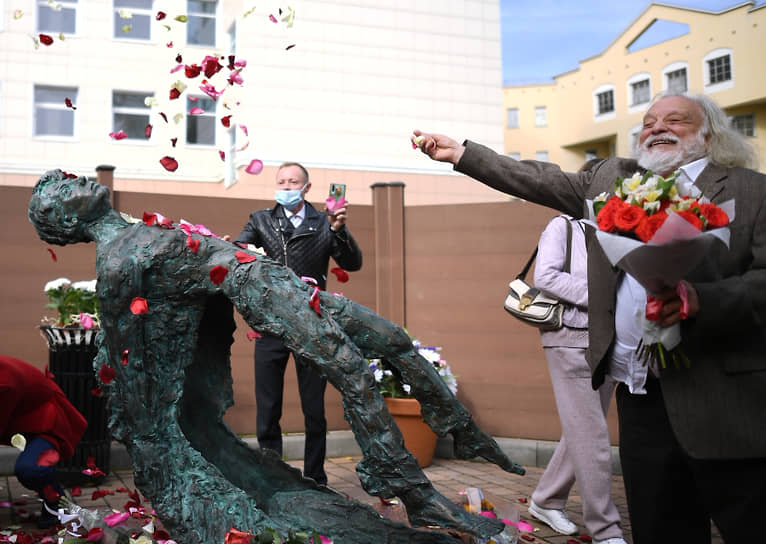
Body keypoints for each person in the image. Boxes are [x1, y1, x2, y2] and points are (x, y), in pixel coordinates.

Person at [28, 169, 524, 543]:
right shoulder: (116, 262)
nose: (73, 180)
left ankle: (455, 427)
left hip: (267, 281)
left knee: (391, 337)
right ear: (68, 221)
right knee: (349, 364)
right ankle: (418, 497)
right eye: (62, 189)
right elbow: (124, 356)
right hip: (252, 285)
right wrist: (153, 440)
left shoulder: (140, 230)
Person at [413, 92, 765, 544]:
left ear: (709, 135)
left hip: (724, 398)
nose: (657, 128)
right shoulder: (612, 178)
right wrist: (462, 154)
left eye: (675, 120)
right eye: (648, 121)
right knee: (662, 529)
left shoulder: (753, 191)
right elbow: (538, 178)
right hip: (640, 393)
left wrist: (701, 301)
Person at [232, 162, 362, 486]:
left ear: (307, 188)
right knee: (268, 408)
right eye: (281, 182)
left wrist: (339, 230)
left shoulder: (324, 222)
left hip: (311, 325)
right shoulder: (261, 220)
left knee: (314, 411)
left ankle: (315, 478)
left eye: (293, 182)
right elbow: (239, 251)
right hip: (271, 324)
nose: (287, 187)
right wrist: (231, 248)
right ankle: (272, 476)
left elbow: (353, 263)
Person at [528, 211, 625, 544]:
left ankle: (545, 499)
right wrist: (605, 295)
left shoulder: (619, 230)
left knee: (583, 429)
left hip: (608, 340)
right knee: (592, 433)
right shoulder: (563, 226)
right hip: (569, 338)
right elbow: (546, 276)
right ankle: (605, 530)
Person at [0, 354, 87, 529]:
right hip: (21, 418)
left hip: (47, 420)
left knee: (31, 469)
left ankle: (58, 505)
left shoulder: (4, 384)